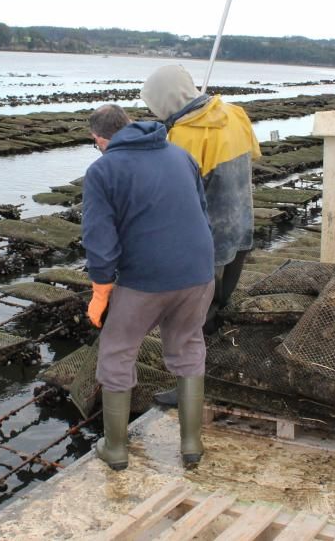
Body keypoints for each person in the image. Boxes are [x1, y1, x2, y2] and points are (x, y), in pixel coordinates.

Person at [82, 104, 215, 471]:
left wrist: (100, 292)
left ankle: (116, 449)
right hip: (198, 271)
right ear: (129, 125)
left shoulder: (103, 170)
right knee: (188, 347)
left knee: (118, 352)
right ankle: (191, 445)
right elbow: (202, 212)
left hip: (145, 279)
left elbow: (99, 239)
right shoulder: (180, 154)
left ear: (99, 139)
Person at [139, 65, 261, 405]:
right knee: (219, 310)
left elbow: (177, 198)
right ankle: (217, 375)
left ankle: (189, 391)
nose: (154, 111)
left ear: (166, 98)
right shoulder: (234, 114)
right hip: (240, 234)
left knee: (189, 322)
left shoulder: (185, 135)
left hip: (205, 245)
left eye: (154, 104)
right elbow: (250, 157)